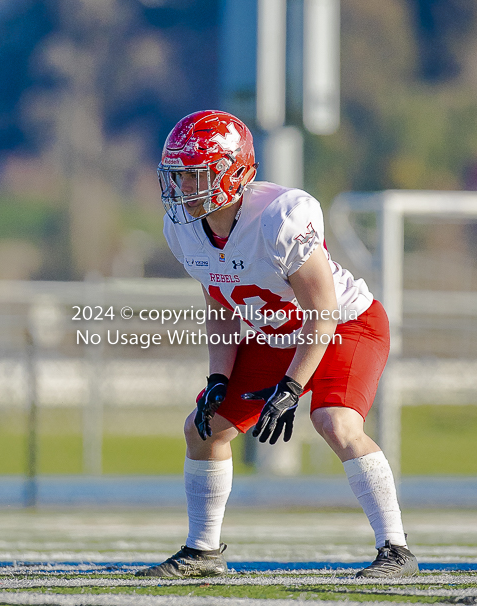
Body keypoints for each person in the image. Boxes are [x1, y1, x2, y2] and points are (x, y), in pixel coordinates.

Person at [136, 110, 418, 579]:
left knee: (334, 421)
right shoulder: (183, 228)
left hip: (345, 324)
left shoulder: (280, 216)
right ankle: (203, 552)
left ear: (235, 172)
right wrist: (217, 379)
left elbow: (322, 311)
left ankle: (396, 549)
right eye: (179, 174)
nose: (184, 186)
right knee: (203, 428)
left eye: (196, 173)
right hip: (276, 332)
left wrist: (291, 387)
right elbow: (222, 308)